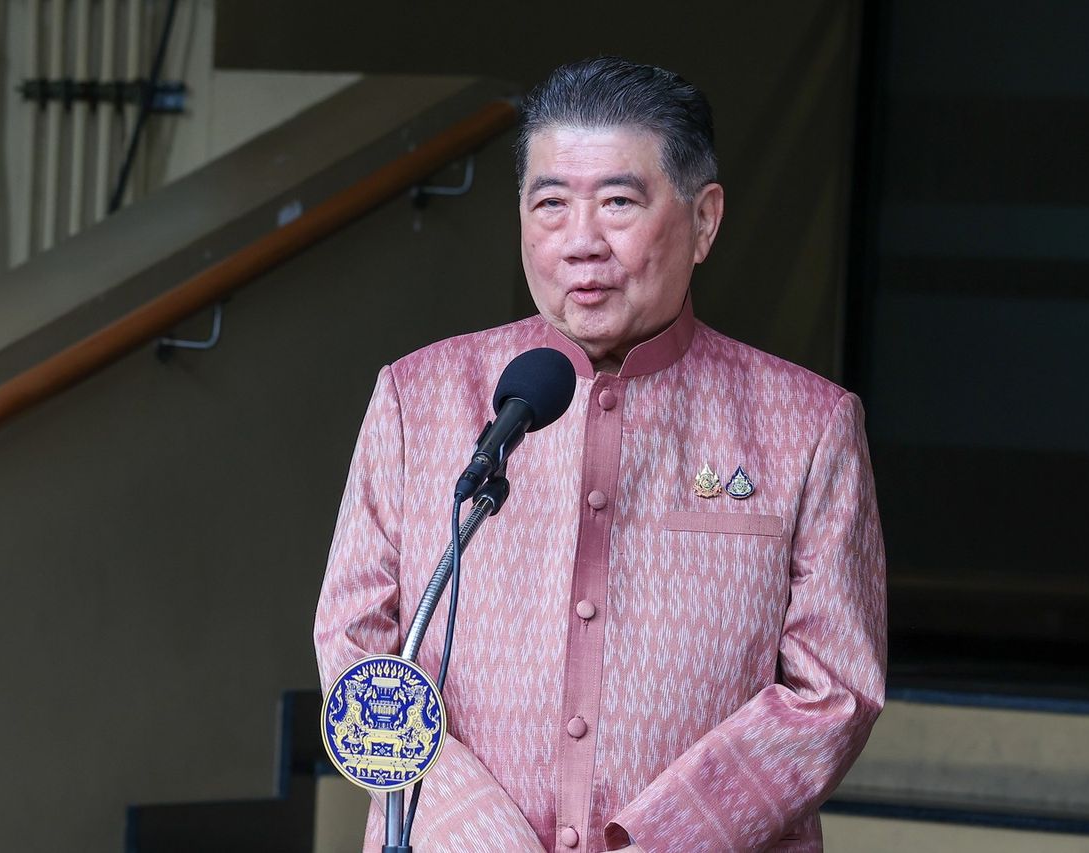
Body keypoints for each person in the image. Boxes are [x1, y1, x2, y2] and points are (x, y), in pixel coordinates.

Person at [315, 56, 886, 853]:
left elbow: (835, 691)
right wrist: (483, 836)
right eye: (551, 204)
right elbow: (356, 647)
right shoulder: (421, 398)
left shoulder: (807, 425)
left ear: (705, 220)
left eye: (619, 201)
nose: (581, 242)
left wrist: (654, 840)